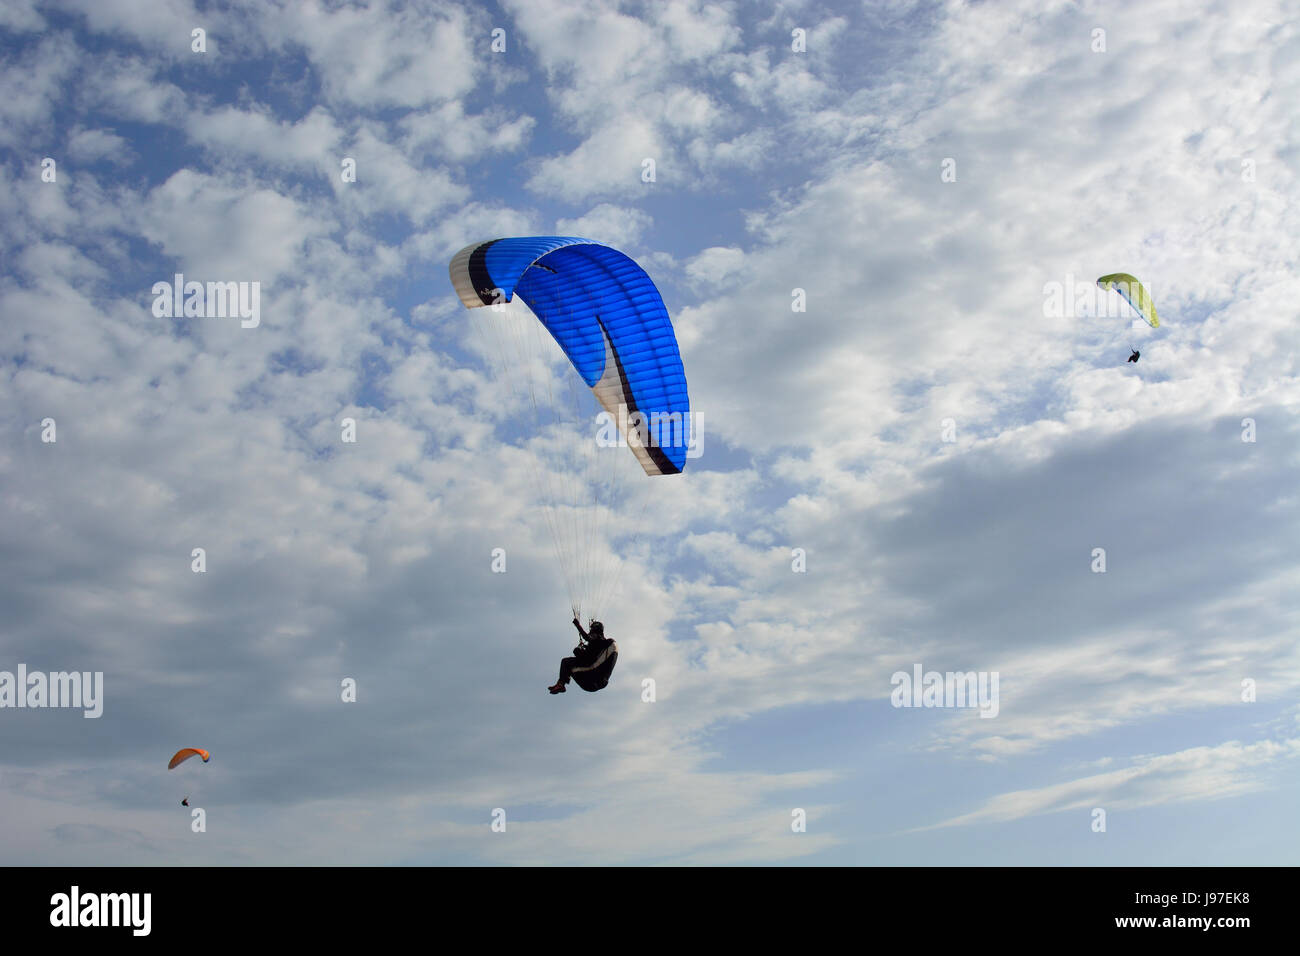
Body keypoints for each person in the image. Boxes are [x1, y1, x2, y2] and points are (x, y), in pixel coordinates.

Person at [549, 618, 618, 694]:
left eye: (591, 631)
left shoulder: (600, 639)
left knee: (566, 662)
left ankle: (561, 684)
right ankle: (560, 684)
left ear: (596, 631)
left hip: (592, 677)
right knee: (571, 662)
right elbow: (588, 656)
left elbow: (587, 638)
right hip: (592, 682)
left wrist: (578, 625)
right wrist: (580, 651)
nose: (590, 633)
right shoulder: (598, 647)